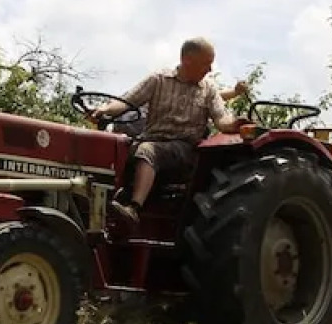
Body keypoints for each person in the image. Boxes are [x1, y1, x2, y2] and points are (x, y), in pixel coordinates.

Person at [90, 37, 252, 226]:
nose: (210, 70)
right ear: (187, 60)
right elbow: (128, 101)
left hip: (185, 149)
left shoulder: (209, 90)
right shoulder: (159, 79)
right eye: (206, 64)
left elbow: (221, 120)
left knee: (148, 151)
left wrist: (234, 124)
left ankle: (134, 208)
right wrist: (104, 110)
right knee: (117, 149)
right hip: (152, 139)